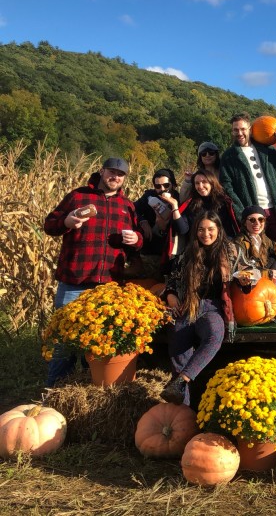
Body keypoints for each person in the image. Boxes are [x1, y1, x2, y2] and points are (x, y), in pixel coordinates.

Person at [43, 157, 143, 386]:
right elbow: (50, 224)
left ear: (124, 178)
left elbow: (137, 242)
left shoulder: (126, 205)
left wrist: (136, 239)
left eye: (120, 174)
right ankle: (54, 391)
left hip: (107, 285)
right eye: (111, 172)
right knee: (64, 342)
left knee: (99, 342)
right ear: (101, 171)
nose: (115, 177)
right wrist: (67, 222)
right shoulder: (78, 196)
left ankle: (91, 389)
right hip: (74, 280)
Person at [161, 211, 238, 405]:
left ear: (218, 231)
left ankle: (182, 380)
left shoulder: (230, 254)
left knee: (214, 334)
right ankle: (183, 411)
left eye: (210, 229)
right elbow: (171, 281)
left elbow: (245, 274)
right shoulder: (187, 255)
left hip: (212, 308)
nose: (206, 234)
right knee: (179, 353)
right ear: (196, 231)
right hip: (187, 307)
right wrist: (170, 296)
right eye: (201, 229)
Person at [219, 111, 276, 260]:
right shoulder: (229, 157)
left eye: (243, 129)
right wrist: (241, 212)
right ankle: (262, 283)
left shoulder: (266, 150)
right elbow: (227, 187)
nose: (239, 133)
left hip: (274, 210)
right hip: (252, 215)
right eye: (235, 130)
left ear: (249, 129)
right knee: (256, 256)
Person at [133, 168, 182, 278]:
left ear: (173, 185)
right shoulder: (149, 196)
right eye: (158, 186)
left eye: (166, 185)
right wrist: (143, 221)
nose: (162, 189)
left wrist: (164, 227)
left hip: (170, 250)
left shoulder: (179, 200)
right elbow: (133, 208)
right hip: (150, 248)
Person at [178, 169, 239, 239]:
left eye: (204, 182)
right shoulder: (191, 204)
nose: (200, 186)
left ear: (212, 183)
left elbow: (229, 229)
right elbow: (184, 229)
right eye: (197, 183)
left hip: (222, 244)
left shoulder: (224, 203)